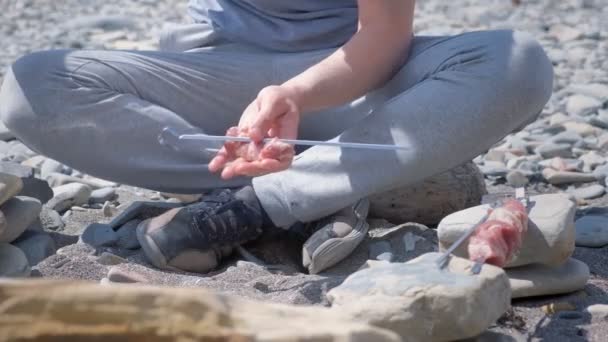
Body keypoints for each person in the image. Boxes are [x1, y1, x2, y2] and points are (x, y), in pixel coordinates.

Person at [0, 0, 553, 274]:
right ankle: (334, 184)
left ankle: (261, 203)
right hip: (218, 96)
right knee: (30, 91)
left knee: (517, 63)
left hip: (350, 81)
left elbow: (384, 37)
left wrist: (296, 94)